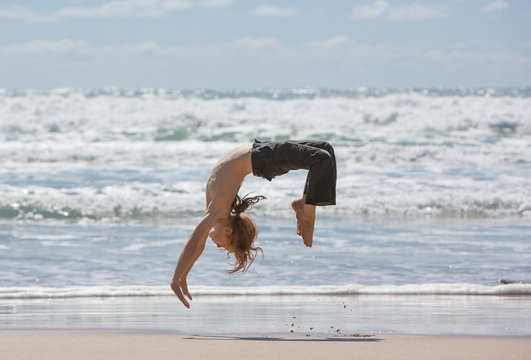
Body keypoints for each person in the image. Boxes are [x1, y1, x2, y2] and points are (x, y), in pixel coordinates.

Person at [170, 140, 337, 308]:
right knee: (322, 156)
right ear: (229, 231)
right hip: (262, 155)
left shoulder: (217, 210)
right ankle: (306, 204)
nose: (217, 245)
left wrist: (178, 278)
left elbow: (195, 243)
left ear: (228, 231)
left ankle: (307, 209)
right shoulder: (217, 211)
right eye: (224, 246)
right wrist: (181, 277)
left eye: (224, 247)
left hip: (262, 154)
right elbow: (197, 244)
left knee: (323, 154)